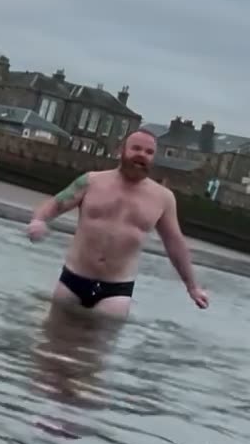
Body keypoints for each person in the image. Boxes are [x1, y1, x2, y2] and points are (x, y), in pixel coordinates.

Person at [25, 129, 211, 318]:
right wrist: (38, 220)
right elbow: (55, 204)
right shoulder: (91, 181)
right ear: (121, 150)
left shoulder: (163, 198)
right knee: (51, 343)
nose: (142, 155)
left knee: (97, 344)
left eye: (149, 152)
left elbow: (175, 244)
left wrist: (193, 287)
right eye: (136, 148)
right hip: (73, 279)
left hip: (116, 290)